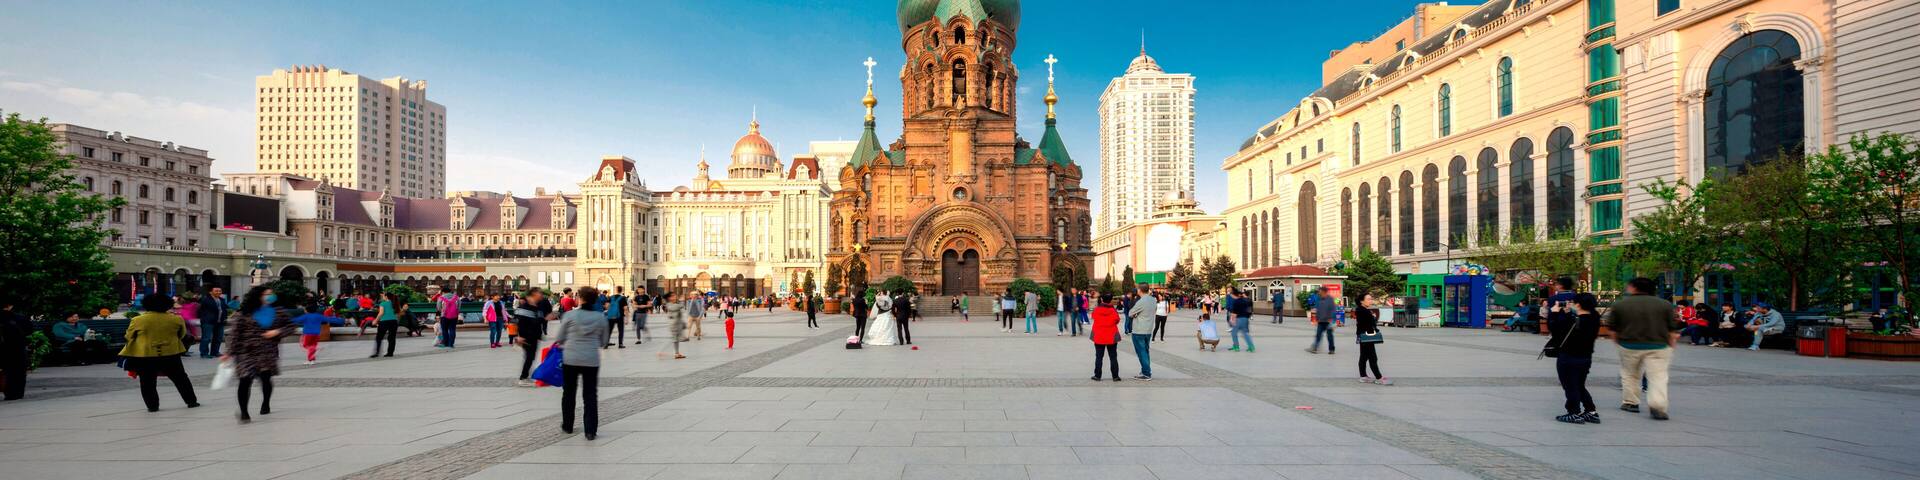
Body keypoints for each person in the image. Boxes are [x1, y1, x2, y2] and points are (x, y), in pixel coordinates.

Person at [1603, 277, 1681, 420]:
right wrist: (1671, 345)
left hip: (1629, 345)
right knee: (1658, 377)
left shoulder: (1621, 305)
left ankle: (1631, 402)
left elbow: (1612, 328)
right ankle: (1657, 405)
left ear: (1633, 287)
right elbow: (1672, 330)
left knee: (1630, 374)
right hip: (1659, 346)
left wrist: (1617, 342)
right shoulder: (1665, 305)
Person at [227, 285, 294, 423]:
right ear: (258, 296)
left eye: (271, 294)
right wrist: (229, 352)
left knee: (265, 378)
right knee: (245, 380)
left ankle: (266, 403)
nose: (270, 296)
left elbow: (291, 327)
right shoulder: (244, 312)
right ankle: (244, 412)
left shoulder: (278, 311)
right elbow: (235, 333)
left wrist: (277, 332)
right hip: (246, 351)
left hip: (267, 351)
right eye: (266, 294)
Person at [121, 294, 199, 412]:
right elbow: (182, 335)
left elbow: (129, 336)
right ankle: (191, 401)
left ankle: (152, 406)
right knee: (180, 378)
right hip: (171, 353)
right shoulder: (176, 319)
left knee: (147, 381)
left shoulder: (138, 320)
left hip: (145, 354)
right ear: (167, 305)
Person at [550, 287, 608, 440]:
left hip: (571, 358)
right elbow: (604, 341)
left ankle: (568, 425)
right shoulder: (600, 317)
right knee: (590, 395)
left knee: (569, 392)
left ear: (580, 299)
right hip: (591, 359)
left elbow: (560, 338)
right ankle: (590, 430)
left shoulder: (570, 315)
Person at [1548, 293, 1602, 424]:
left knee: (1570, 385)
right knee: (1579, 385)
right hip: (1585, 357)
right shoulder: (1594, 318)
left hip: (1568, 357)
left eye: (1573, 302)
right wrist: (1568, 313)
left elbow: (1556, 332)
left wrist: (1554, 314)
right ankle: (1590, 411)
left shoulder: (1573, 321)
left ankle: (1573, 412)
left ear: (1578, 304)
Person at [513, 289, 556, 386]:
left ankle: (525, 377)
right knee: (529, 356)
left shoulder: (538, 307)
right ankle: (523, 378)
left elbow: (538, 321)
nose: (540, 295)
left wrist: (546, 319)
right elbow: (516, 322)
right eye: (538, 294)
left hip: (534, 336)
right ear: (531, 296)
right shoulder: (523, 308)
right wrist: (518, 336)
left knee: (531, 357)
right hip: (526, 336)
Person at [1354, 294, 1390, 385]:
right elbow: (1368, 323)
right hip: (1367, 336)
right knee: (1372, 357)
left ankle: (1363, 376)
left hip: (1364, 335)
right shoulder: (1363, 311)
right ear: (1362, 301)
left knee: (1364, 356)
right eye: (1369, 299)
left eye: (1371, 299)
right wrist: (1373, 317)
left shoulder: (1362, 310)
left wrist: (1371, 316)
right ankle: (1379, 377)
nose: (1371, 301)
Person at [1126, 286, 1156, 380]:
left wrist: (1136, 314)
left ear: (1140, 290)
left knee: (1141, 352)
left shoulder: (1141, 301)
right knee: (1145, 351)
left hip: (1139, 330)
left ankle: (1146, 373)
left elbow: (1130, 313)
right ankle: (1145, 370)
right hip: (1148, 329)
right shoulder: (1153, 300)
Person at [1090, 293, 1121, 382]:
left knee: (1099, 357)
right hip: (1111, 336)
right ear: (1110, 300)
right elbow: (1117, 320)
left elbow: (1093, 317)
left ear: (1102, 300)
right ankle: (1115, 376)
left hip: (1099, 336)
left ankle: (1097, 375)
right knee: (1113, 356)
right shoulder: (1113, 310)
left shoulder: (1097, 309)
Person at [197, 287, 229, 358]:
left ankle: (215, 352)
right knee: (206, 338)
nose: (218, 292)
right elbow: (200, 310)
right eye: (216, 291)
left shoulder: (222, 300)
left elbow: (225, 310)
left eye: (220, 291)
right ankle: (204, 353)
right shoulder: (205, 300)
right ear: (211, 292)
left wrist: (225, 317)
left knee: (218, 338)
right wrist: (204, 317)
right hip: (208, 322)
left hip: (220, 322)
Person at [1306, 288, 1336, 354]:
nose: (1319, 293)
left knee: (1330, 336)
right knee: (1318, 335)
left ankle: (1332, 349)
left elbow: (1333, 310)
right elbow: (1317, 309)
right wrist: (1316, 319)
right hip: (1320, 321)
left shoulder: (1330, 299)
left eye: (1320, 292)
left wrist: (1331, 319)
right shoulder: (1319, 299)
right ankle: (1315, 348)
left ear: (1324, 292)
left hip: (1328, 321)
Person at [371, 293, 401, 358]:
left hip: (384, 322)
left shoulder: (383, 303)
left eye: (383, 296)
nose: (382, 297)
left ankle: (377, 353)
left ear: (386, 297)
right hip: (393, 322)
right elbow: (398, 314)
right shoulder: (395, 303)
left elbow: (381, 313)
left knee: (379, 337)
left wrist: (375, 321)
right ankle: (390, 353)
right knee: (392, 338)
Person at [660, 292, 687, 359]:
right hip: (673, 325)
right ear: (669, 298)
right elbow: (677, 307)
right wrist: (682, 301)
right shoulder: (669, 305)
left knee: (676, 340)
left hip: (677, 324)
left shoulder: (675, 304)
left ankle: (677, 353)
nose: (675, 297)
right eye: (673, 296)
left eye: (675, 296)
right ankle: (661, 351)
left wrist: (683, 323)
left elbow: (679, 315)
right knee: (674, 339)